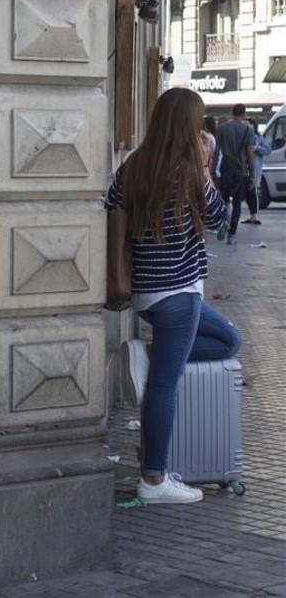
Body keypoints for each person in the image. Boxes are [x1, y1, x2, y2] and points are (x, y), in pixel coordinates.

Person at [105, 88, 241, 506]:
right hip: (180, 292)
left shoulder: (133, 165)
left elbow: (110, 207)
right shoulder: (188, 171)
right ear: (188, 125)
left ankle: (158, 354)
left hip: (147, 294)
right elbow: (219, 219)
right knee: (166, 384)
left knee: (229, 340)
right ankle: (153, 478)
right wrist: (203, 166)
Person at [212, 104, 258, 243]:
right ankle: (232, 235)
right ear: (244, 113)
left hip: (225, 169)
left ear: (232, 112)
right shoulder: (248, 131)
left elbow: (216, 152)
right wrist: (252, 175)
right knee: (237, 203)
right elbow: (250, 155)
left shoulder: (222, 128)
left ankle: (225, 219)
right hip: (241, 171)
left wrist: (214, 170)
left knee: (224, 200)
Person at [241, 121, 268, 225]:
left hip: (254, 167)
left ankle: (254, 216)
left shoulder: (258, 137)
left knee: (253, 191)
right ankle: (252, 215)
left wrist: (257, 148)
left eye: (249, 125)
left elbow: (268, 149)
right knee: (247, 193)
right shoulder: (243, 136)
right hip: (244, 167)